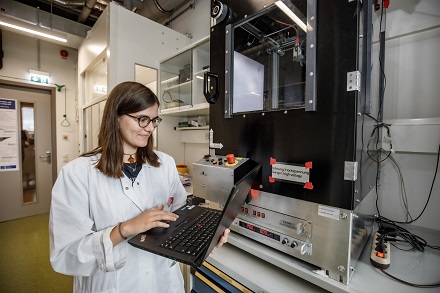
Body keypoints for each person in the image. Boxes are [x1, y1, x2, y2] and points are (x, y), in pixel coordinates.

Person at [49, 81, 229, 293]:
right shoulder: (78, 173)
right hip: (114, 284)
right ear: (116, 117)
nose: (151, 128)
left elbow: (179, 218)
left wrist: (205, 238)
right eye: (143, 119)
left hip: (164, 281)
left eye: (154, 120)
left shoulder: (165, 163)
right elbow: (65, 254)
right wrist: (125, 229)